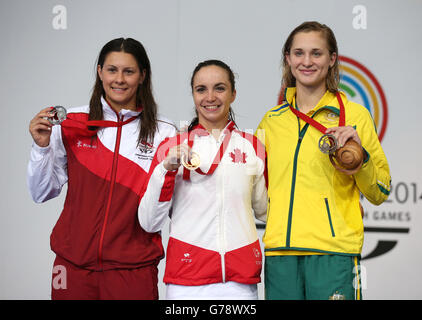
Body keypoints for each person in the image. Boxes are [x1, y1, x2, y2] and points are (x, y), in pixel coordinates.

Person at [27, 38, 177, 300]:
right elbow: (42, 192)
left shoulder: (164, 132)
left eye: (128, 71)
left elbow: (169, 205)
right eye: (112, 70)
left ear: (142, 75)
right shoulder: (72, 122)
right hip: (72, 266)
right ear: (99, 72)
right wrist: (41, 148)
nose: (119, 79)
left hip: (133, 269)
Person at [256, 21, 391, 300]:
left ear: (331, 60)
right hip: (281, 252)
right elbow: (249, 181)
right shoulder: (272, 120)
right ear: (288, 58)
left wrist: (361, 158)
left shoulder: (355, 116)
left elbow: (381, 190)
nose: (307, 61)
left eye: (316, 53)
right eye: (299, 53)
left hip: (333, 252)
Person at [138, 60, 267, 300]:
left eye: (219, 88)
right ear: (193, 94)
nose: (210, 97)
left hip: (239, 281)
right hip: (186, 280)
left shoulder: (253, 147)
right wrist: (165, 170)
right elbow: (148, 222)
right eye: (201, 89)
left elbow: (267, 211)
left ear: (233, 94)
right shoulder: (171, 147)